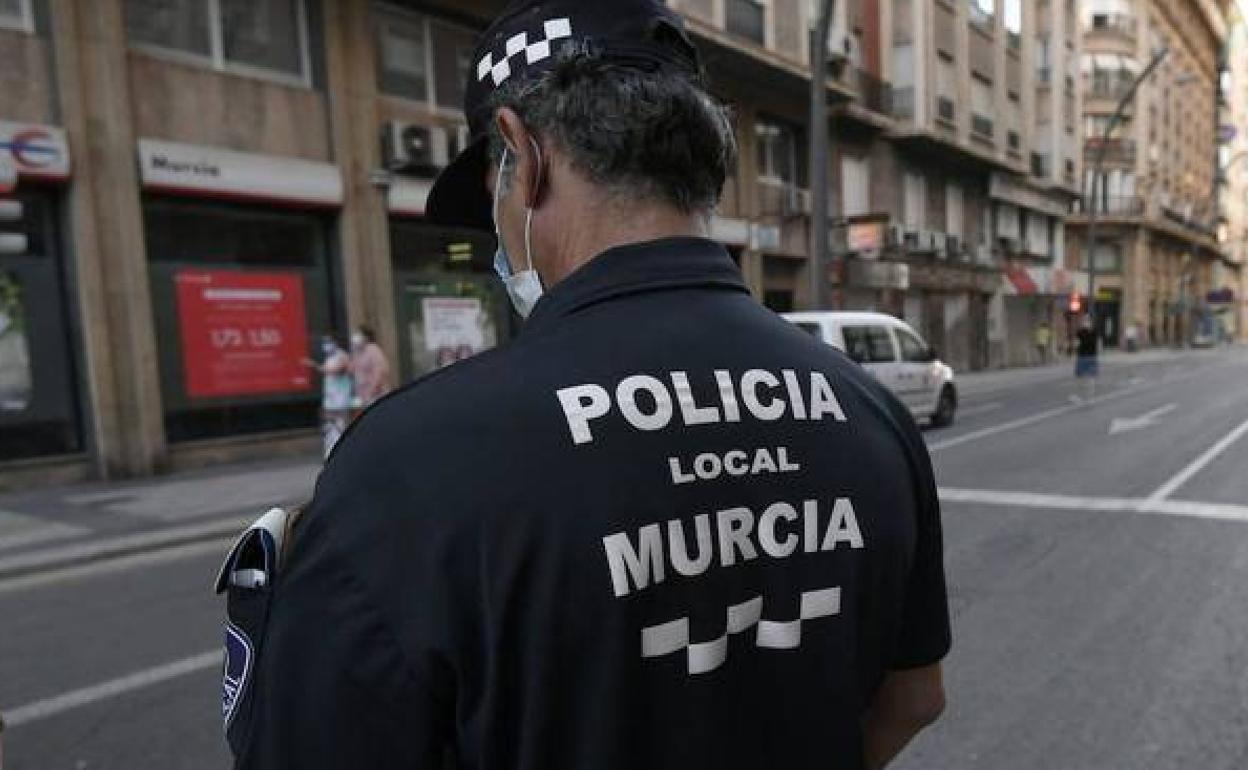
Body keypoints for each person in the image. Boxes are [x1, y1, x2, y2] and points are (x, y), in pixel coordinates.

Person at [218, 2, 950, 768]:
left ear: (522, 154)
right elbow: (914, 698)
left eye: (491, 198)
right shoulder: (869, 412)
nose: (497, 229)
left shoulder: (408, 464)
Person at [302, 334, 353, 459]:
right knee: (330, 424)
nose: (326, 345)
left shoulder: (342, 356)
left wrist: (314, 366)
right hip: (331, 397)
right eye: (325, 342)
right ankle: (331, 450)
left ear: (336, 343)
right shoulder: (329, 357)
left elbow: (335, 370)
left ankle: (344, 449)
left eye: (329, 342)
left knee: (341, 423)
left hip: (341, 397)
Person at [349, 324, 392, 406]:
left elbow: (379, 373)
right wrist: (354, 350)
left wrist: (371, 392)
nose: (355, 337)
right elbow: (351, 369)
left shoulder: (373, 350)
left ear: (366, 337)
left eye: (358, 334)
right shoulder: (358, 352)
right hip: (363, 394)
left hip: (375, 394)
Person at [1073, 315, 1099, 401]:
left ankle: (1079, 396)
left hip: (1082, 356)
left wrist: (1075, 350)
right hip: (1092, 357)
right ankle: (1090, 396)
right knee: (1091, 378)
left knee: (1079, 377)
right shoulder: (1095, 332)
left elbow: (1076, 344)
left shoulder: (1080, 332)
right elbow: (1098, 344)